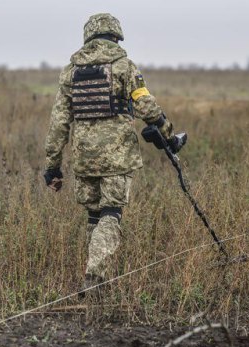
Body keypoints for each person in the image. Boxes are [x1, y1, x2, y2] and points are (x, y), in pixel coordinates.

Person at [43, 12, 179, 294]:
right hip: (117, 157)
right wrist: (167, 132)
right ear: (115, 37)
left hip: (84, 159)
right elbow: (145, 106)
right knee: (111, 214)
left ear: (88, 36)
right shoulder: (124, 67)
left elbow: (58, 123)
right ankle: (95, 277)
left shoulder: (70, 72)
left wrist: (53, 165)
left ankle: (97, 277)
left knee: (94, 216)